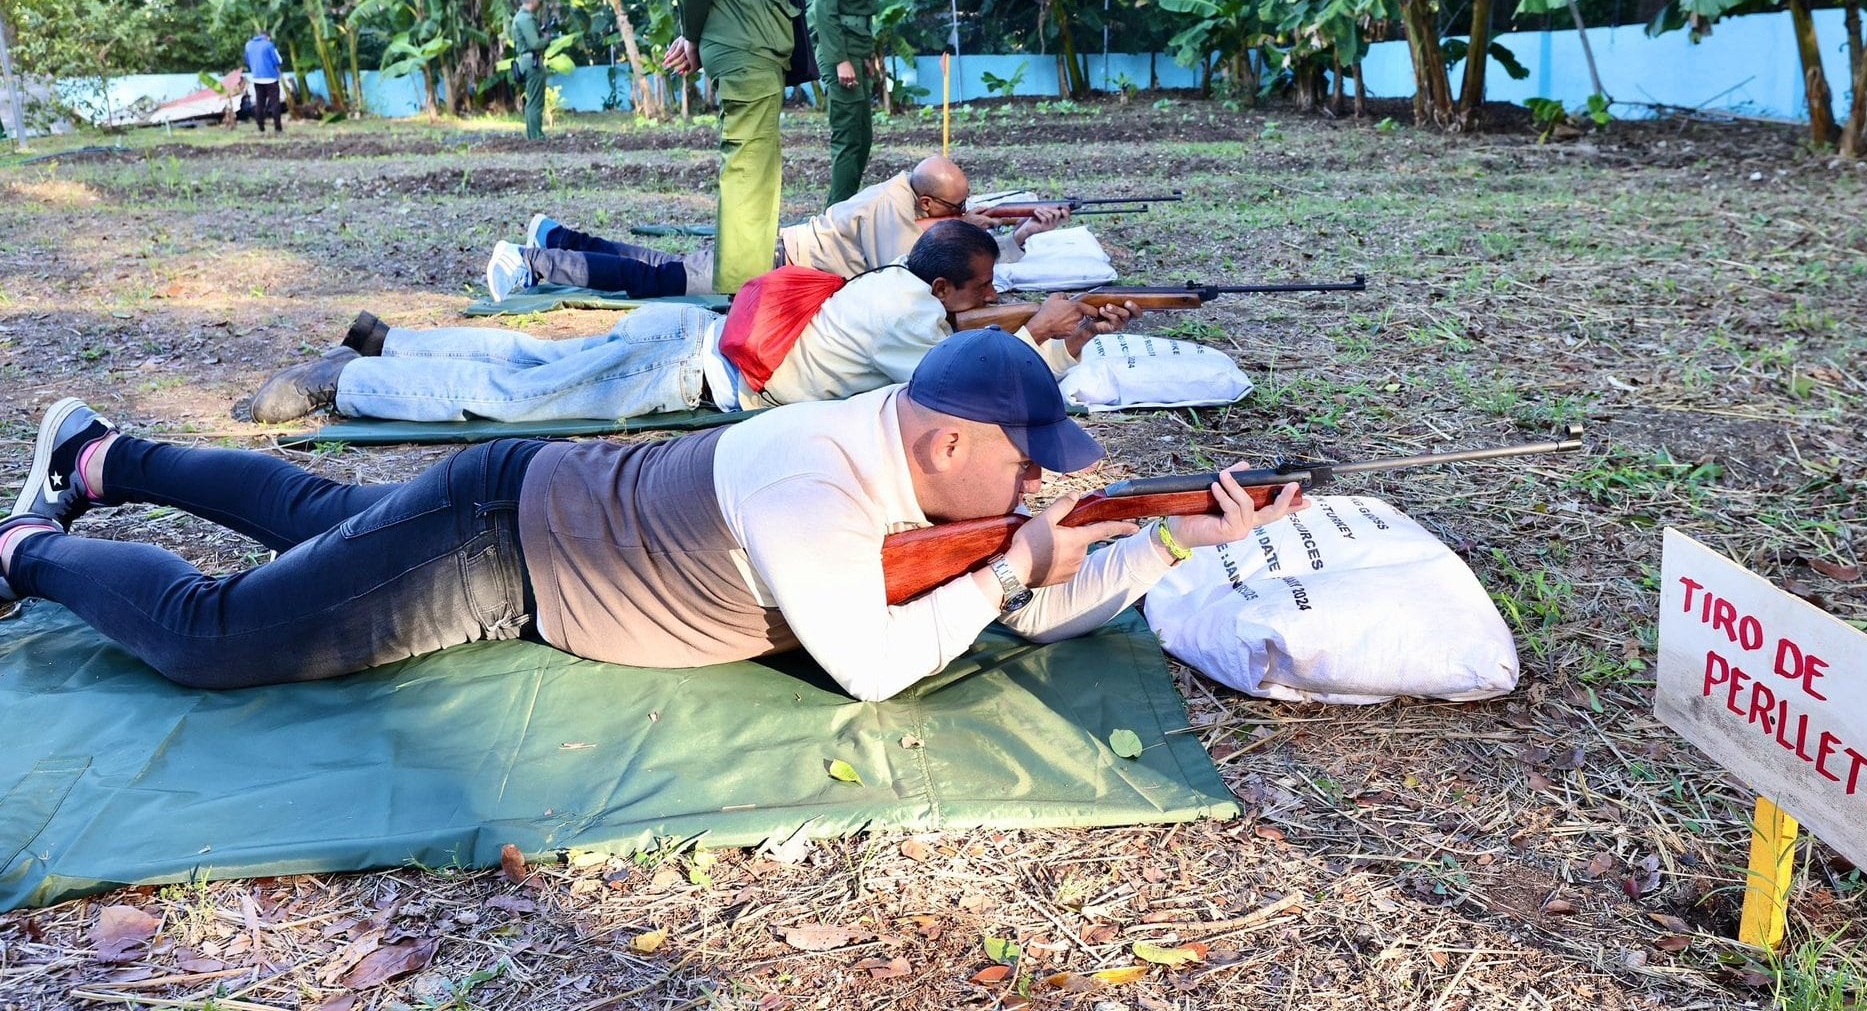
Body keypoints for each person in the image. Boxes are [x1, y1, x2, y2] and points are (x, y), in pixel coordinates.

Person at [0, 332, 1302, 701]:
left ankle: (105, 453)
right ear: (949, 438)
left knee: (309, 510)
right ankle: (31, 549)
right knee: (220, 639)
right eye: (1026, 465)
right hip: (501, 548)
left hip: (532, 505)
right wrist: (1016, 561)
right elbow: (879, 668)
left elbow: (1026, 597)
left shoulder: (937, 482)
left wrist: (1175, 536)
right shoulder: (819, 486)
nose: (1038, 486)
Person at [255, 220, 1132, 424]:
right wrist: (1050, 331)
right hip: (689, 373)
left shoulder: (897, 286)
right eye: (980, 290)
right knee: (512, 400)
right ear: (946, 287)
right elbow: (979, 382)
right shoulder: (919, 320)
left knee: (531, 353)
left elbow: (982, 339)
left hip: (687, 337)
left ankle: (387, 342)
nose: (988, 300)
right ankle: (355, 381)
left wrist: (1066, 330)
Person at [485, 155, 1069, 301]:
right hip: (772, 263)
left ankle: (555, 238)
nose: (961, 214)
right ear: (928, 204)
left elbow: (946, 229)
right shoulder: (895, 214)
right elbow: (919, 275)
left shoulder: (910, 194)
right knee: (652, 280)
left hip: (774, 253)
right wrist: (1002, 243)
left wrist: (1009, 232)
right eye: (955, 208)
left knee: (655, 264)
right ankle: (531, 264)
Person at [664, 0, 796, 293]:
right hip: (746, 35)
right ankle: (739, 297)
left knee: (756, 166)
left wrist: (695, 34)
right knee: (748, 167)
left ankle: (747, 286)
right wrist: (691, 32)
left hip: (747, 32)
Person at [812, 0, 880, 205]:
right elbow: (824, 9)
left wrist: (863, 57)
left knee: (862, 138)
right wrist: (841, 60)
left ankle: (843, 213)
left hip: (854, 52)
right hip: (840, 54)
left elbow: (856, 9)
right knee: (848, 142)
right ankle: (832, 221)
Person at [512, 0, 548, 142]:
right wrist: (546, 38)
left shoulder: (519, 17)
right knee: (535, 103)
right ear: (532, 0)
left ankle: (532, 136)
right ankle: (536, 137)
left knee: (532, 101)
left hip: (525, 62)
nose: (539, 3)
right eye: (538, 0)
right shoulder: (526, 19)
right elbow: (535, 43)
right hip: (532, 62)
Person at [243, 31, 283, 133]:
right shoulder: (269, 45)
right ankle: (277, 127)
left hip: (257, 78)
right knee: (275, 103)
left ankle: (260, 127)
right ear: (267, 37)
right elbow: (277, 60)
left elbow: (247, 61)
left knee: (260, 103)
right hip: (271, 78)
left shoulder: (248, 45)